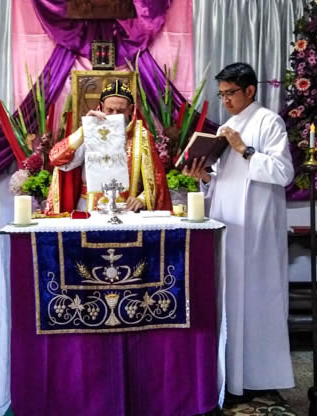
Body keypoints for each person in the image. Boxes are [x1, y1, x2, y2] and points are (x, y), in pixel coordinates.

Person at [183, 62, 295, 404]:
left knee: (258, 302)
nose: (226, 100)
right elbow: (224, 180)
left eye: (230, 93)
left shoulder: (268, 122)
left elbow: (283, 173)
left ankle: (260, 379)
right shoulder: (226, 128)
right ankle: (231, 377)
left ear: (249, 90)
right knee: (229, 303)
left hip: (258, 231)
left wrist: (244, 150)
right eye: (221, 95)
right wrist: (205, 177)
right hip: (228, 226)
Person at [46, 80, 171, 213]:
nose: (114, 115)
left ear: (130, 109)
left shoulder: (141, 136)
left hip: (127, 210)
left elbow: (156, 178)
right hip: (89, 208)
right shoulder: (88, 132)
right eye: (110, 110)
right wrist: (85, 130)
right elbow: (56, 159)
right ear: (101, 107)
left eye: (120, 111)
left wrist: (142, 199)